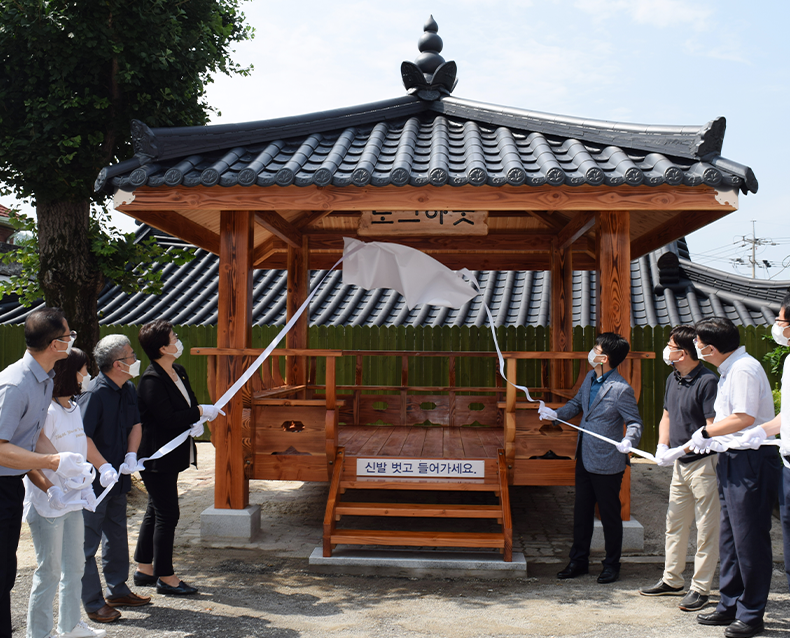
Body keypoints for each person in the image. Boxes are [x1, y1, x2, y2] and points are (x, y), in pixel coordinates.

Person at [0, 307, 91, 638]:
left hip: (11, 486)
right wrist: (54, 464)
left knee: (6, 574)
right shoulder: (15, 384)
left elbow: (34, 433)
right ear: (55, 344)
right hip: (1, 483)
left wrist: (67, 467)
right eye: (69, 336)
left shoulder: (45, 378)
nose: (71, 341)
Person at [691, 317, 779, 638]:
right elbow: (734, 419)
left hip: (752, 459)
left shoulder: (743, 368)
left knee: (750, 538)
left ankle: (752, 613)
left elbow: (744, 416)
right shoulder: (729, 368)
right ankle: (730, 603)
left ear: (710, 348)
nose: (695, 347)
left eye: (698, 342)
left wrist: (705, 431)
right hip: (732, 456)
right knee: (730, 537)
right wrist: (714, 438)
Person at [539, 332, 643, 585]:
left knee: (609, 514)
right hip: (584, 456)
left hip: (608, 461)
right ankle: (578, 561)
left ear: (604, 357)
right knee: (581, 512)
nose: (591, 351)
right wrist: (556, 414)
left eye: (595, 348)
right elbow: (576, 404)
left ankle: (611, 565)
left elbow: (634, 422)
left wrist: (629, 441)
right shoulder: (589, 377)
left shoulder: (621, 389)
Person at [133, 320, 221, 596]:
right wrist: (199, 413)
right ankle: (166, 576)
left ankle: (144, 568)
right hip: (156, 456)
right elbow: (168, 419)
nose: (178, 340)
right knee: (168, 514)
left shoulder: (178, 371)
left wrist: (196, 418)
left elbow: (188, 404)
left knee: (155, 510)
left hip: (172, 452)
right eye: (174, 338)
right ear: (163, 347)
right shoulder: (151, 380)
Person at [24, 348, 106, 638]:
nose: (87, 375)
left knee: (75, 568)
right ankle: (39, 633)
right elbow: (28, 459)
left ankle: (70, 625)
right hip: (48, 505)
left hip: (73, 502)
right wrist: (51, 490)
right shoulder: (45, 411)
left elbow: (81, 444)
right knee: (49, 572)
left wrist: (96, 475)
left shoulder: (73, 406)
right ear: (67, 372)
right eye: (82, 370)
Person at [638, 325, 720, 612]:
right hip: (680, 466)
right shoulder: (673, 378)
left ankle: (701, 587)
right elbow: (666, 415)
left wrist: (679, 450)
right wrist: (663, 446)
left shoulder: (708, 381)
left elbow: (711, 429)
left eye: (670, 345)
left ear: (682, 352)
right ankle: (672, 579)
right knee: (674, 524)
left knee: (706, 528)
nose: (667, 349)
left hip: (704, 465)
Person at [78, 335, 151, 623]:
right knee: (87, 542)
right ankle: (93, 602)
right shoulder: (93, 394)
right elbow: (81, 437)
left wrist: (131, 455)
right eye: (132, 356)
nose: (136, 360)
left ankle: (118, 589)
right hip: (93, 482)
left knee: (117, 533)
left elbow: (135, 423)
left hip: (118, 477)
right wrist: (104, 465)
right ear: (118, 364)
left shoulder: (127, 387)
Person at [735, 291, 790, 594]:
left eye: (781, 321)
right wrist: (762, 431)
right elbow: (788, 415)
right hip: (787, 464)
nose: (777, 326)